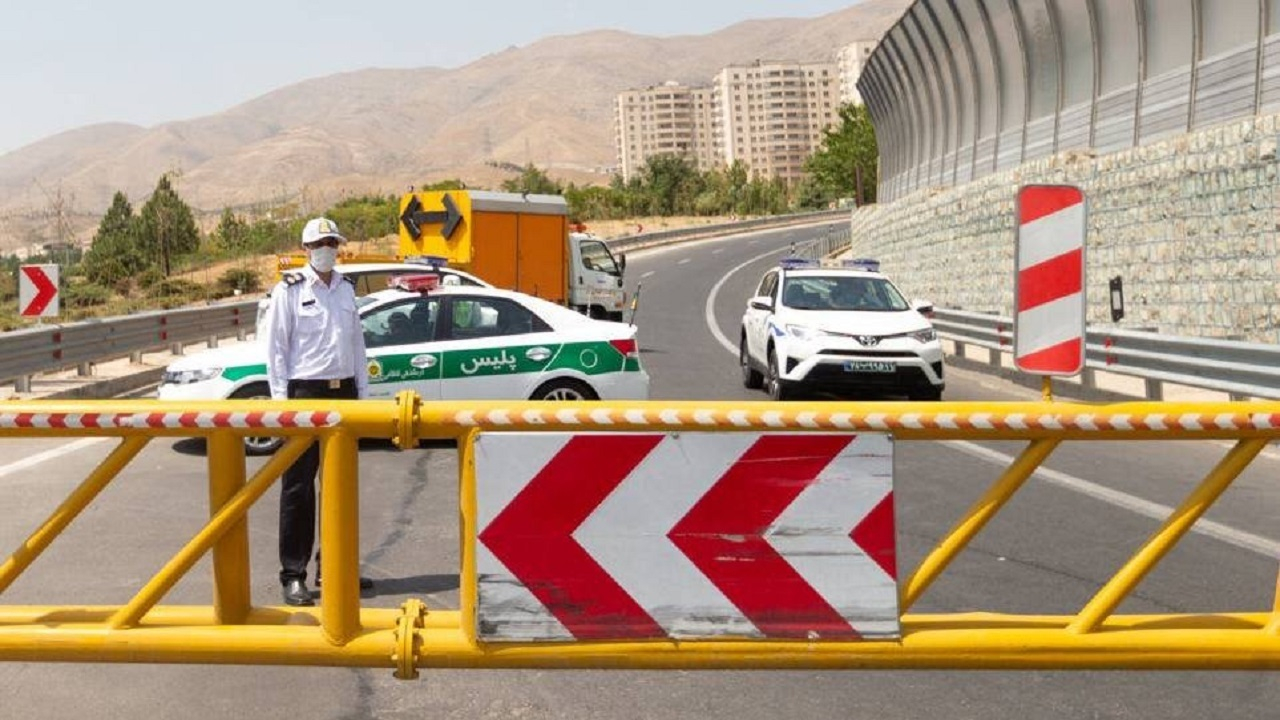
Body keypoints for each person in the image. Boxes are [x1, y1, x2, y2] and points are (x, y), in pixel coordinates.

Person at [263, 217, 372, 606]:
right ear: (306, 248)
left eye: (332, 242)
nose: (327, 248)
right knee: (297, 489)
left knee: (341, 485)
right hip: (303, 394)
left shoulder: (345, 289)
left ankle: (336, 566)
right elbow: (276, 350)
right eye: (320, 243)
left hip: (342, 393)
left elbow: (357, 345)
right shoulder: (288, 291)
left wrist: (363, 393)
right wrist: (281, 405)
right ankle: (294, 574)